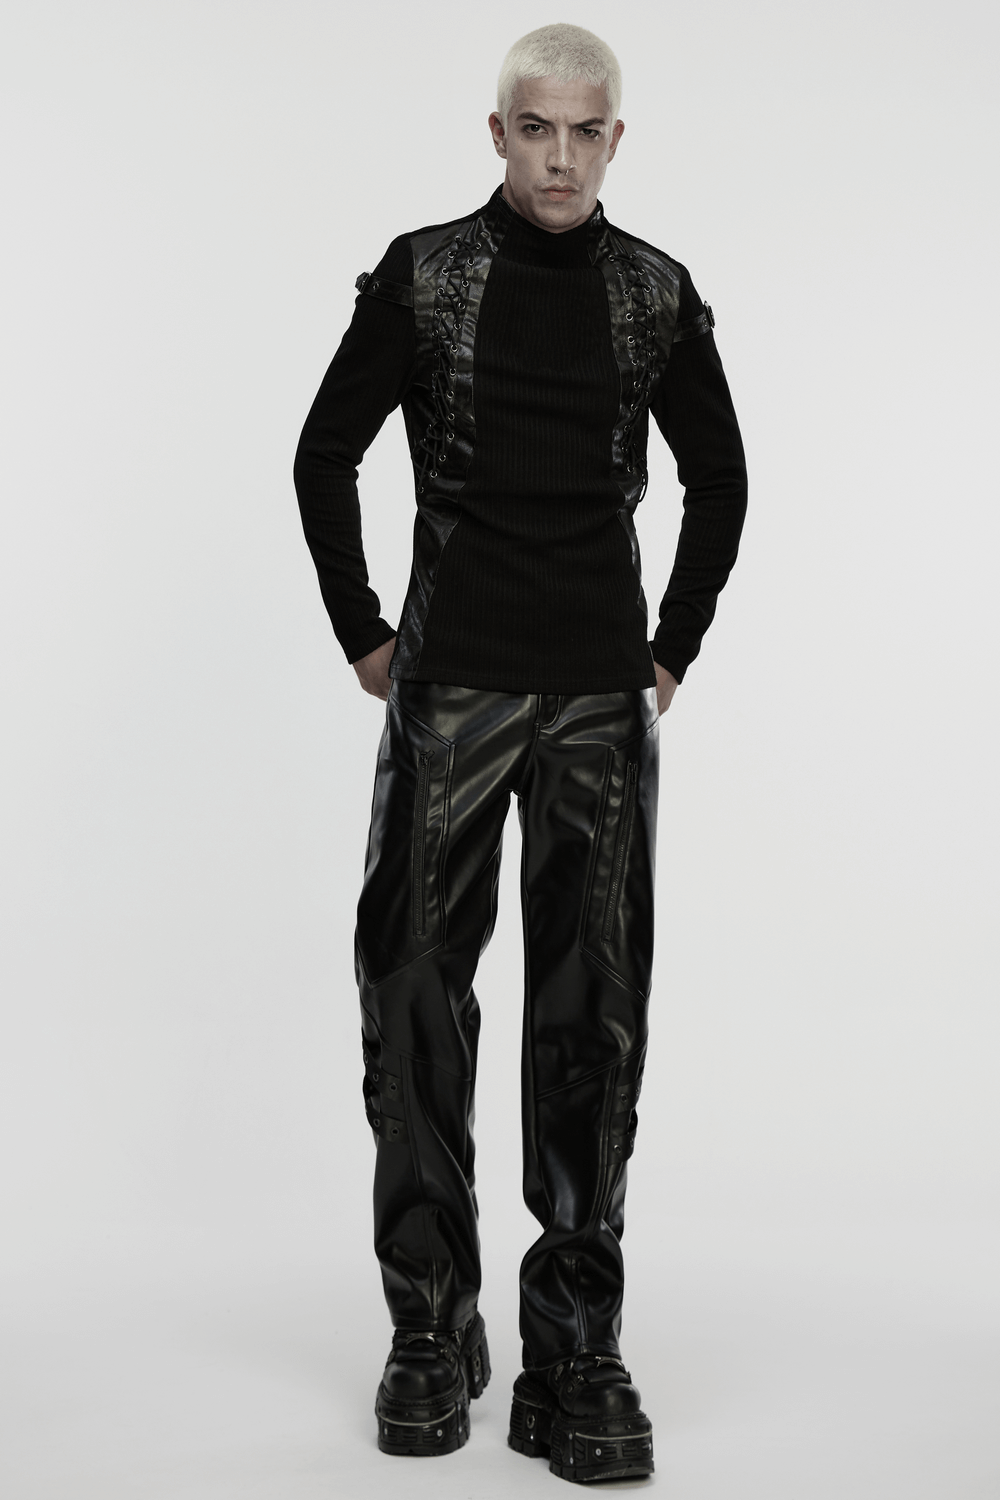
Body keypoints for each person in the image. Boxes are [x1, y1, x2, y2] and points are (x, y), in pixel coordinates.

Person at [293, 21, 747, 1485]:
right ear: (497, 134)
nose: (559, 157)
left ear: (616, 140)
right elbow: (322, 452)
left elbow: (723, 476)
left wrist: (669, 650)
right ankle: (432, 1326)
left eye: (583, 131)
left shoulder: (654, 292)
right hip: (452, 691)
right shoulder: (424, 274)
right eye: (534, 129)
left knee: (592, 1011)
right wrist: (368, 636)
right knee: (415, 991)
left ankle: (575, 1343)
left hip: (601, 698)